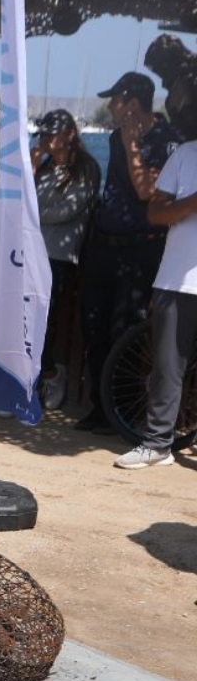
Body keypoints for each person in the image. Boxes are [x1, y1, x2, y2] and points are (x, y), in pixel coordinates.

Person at [78, 71, 184, 433]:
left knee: (126, 326)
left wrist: (131, 147)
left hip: (141, 249)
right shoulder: (112, 136)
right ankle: (99, 408)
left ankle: (120, 412)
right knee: (95, 324)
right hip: (105, 244)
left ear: (133, 103)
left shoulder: (167, 140)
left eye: (116, 100)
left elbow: (147, 192)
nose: (110, 106)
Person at [115, 134, 197, 467]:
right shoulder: (185, 154)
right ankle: (158, 444)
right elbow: (156, 212)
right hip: (176, 278)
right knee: (167, 366)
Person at [31, 109, 100, 408]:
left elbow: (67, 211)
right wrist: (31, 170)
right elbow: (22, 199)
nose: (47, 139)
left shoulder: (86, 169)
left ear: (70, 134)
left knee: (45, 321)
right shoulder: (43, 169)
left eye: (52, 133)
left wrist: (33, 215)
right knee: (28, 321)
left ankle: (50, 374)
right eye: (44, 133)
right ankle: (31, 382)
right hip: (33, 253)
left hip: (61, 257)